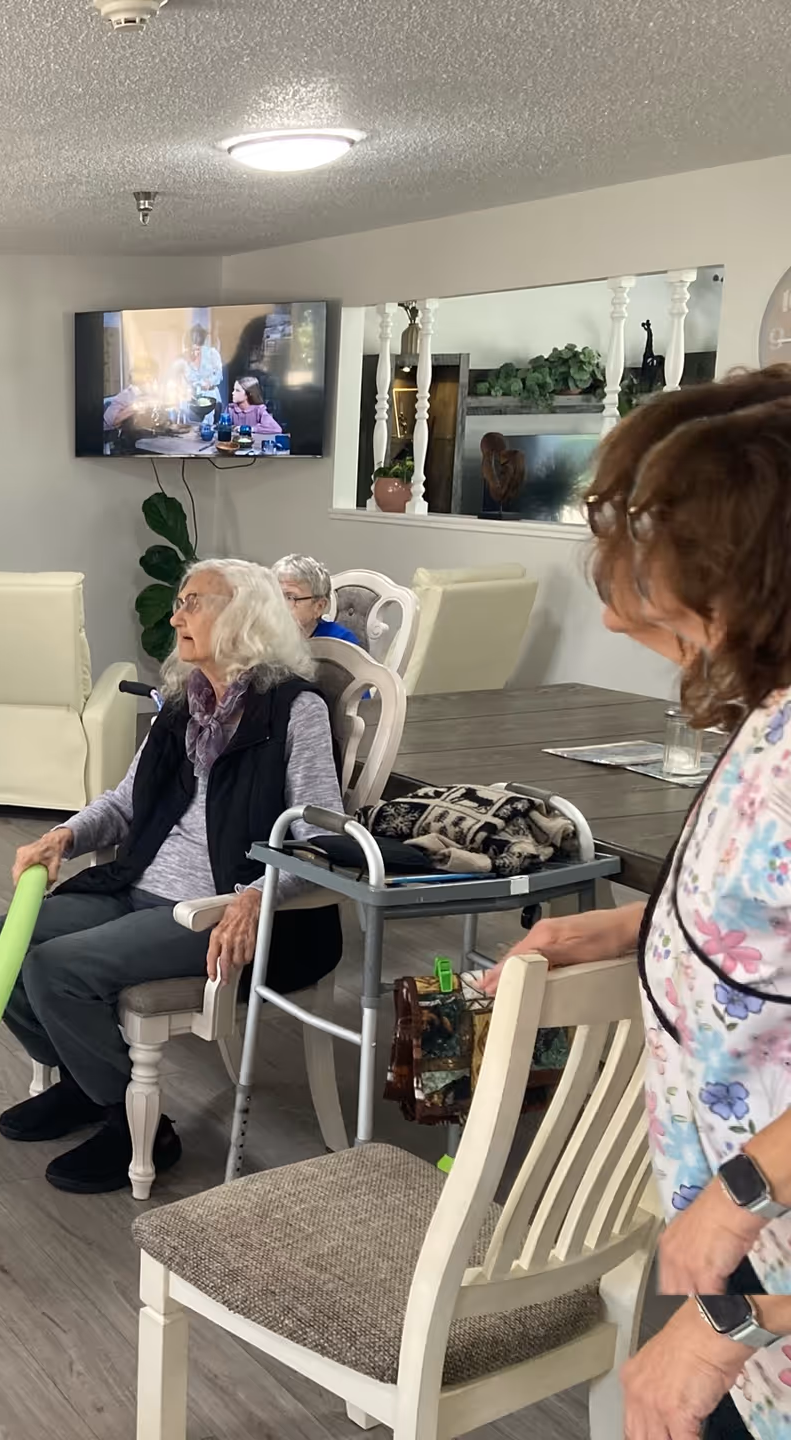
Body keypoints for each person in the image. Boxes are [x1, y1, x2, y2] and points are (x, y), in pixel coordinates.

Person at [475, 368, 791, 1439]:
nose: (620, 620)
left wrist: (737, 1294)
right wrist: (643, 929)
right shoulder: (770, 716)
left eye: (663, 588)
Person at [0, 559, 343, 1193]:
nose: (176, 616)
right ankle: (91, 1087)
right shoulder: (183, 703)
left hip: (214, 910)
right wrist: (65, 835)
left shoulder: (292, 711)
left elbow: (324, 842)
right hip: (136, 884)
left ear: (243, 617)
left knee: (57, 970)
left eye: (193, 602)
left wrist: (255, 896)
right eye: (180, 603)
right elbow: (125, 802)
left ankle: (136, 1128)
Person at [272, 554, 361, 646]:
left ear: (319, 607)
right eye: (276, 595)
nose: (279, 604)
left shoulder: (340, 642)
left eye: (290, 598)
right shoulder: (265, 635)